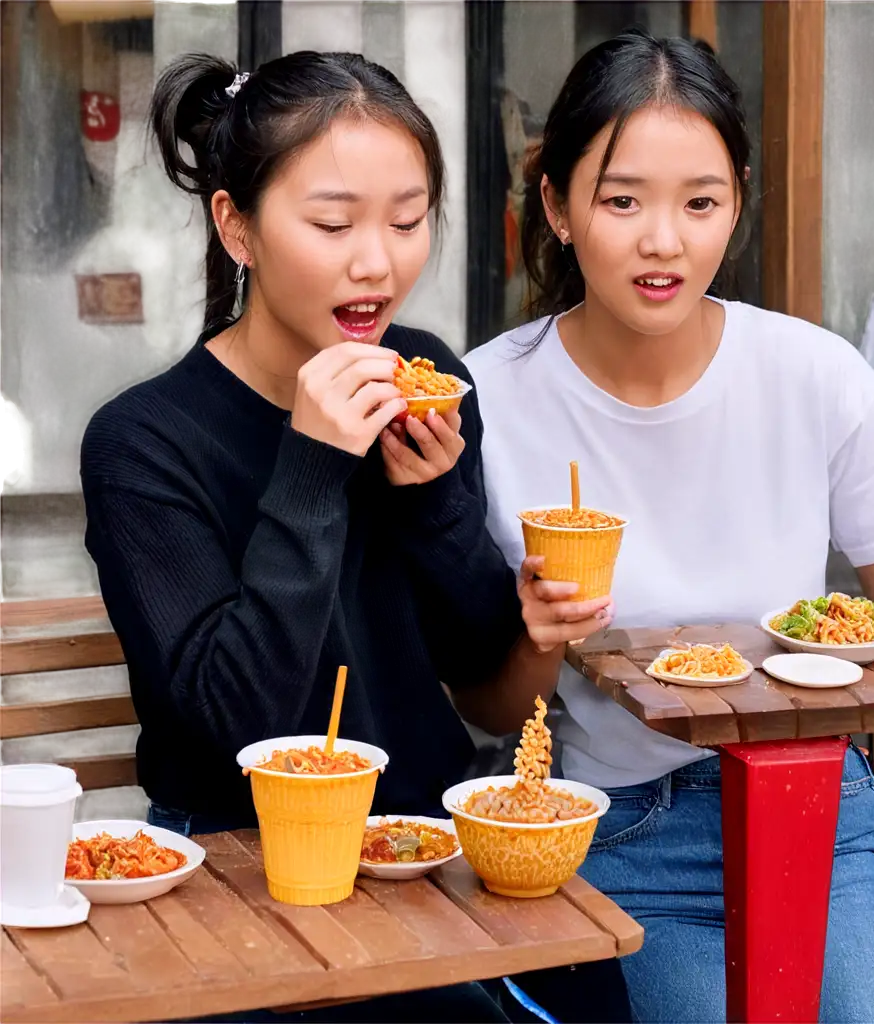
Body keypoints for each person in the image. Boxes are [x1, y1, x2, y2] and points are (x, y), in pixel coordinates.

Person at [79, 49, 617, 1024]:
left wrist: (437, 501)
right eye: (333, 223)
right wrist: (314, 463)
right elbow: (232, 724)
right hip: (239, 872)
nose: (378, 260)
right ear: (234, 224)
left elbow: (477, 672)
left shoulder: (426, 375)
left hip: (428, 846)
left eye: (408, 221)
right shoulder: (143, 442)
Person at [464, 30, 874, 1024]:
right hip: (621, 827)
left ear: (737, 206)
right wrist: (538, 631)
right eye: (622, 200)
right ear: (557, 208)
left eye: (699, 202)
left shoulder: (813, 373)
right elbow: (493, 709)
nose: (663, 240)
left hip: (819, 817)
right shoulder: (489, 397)